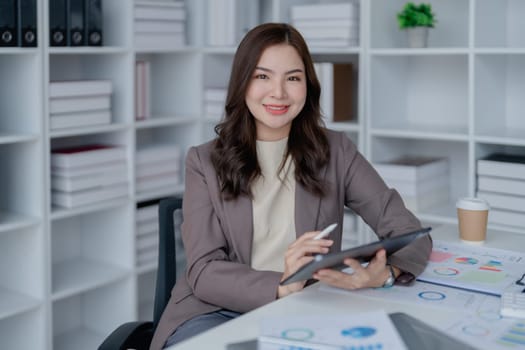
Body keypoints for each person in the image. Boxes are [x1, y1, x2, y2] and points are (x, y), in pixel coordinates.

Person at [150, 22, 432, 350]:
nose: (279, 93)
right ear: (242, 83)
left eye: (293, 78)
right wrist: (281, 285)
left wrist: (384, 275)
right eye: (262, 76)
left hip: (306, 308)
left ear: (308, 86)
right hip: (214, 312)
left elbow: (410, 232)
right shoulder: (203, 161)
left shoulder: (336, 151)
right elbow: (204, 272)